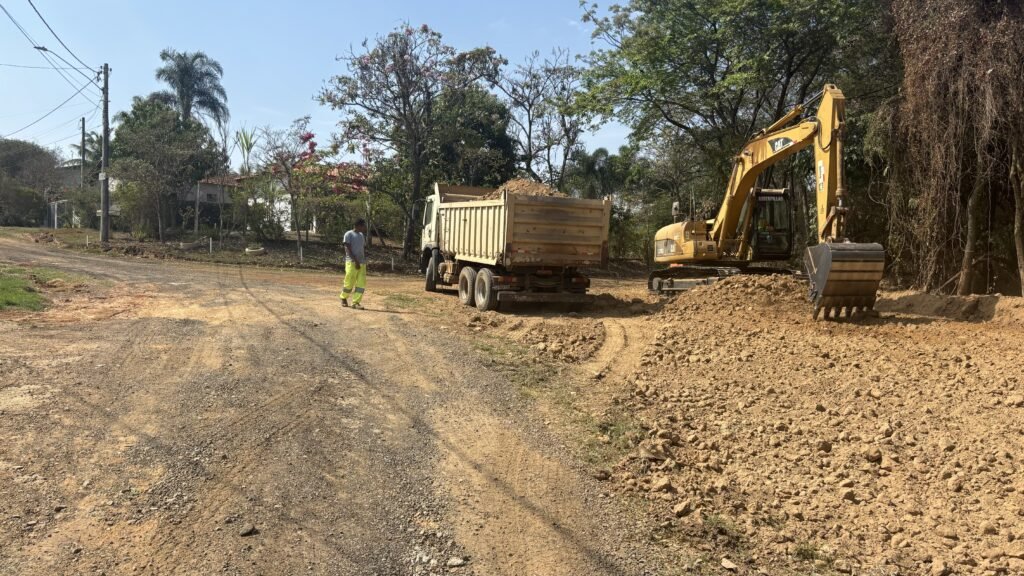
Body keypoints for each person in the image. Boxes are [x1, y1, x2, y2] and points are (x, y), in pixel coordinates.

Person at [340, 219, 368, 309]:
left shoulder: (361, 235)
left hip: (362, 263)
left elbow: (361, 249)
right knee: (349, 281)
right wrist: (356, 261)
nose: (365, 227)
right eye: (363, 225)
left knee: (361, 284)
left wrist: (362, 260)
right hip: (352, 262)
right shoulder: (348, 234)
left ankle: (356, 303)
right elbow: (347, 249)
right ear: (358, 225)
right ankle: (343, 298)